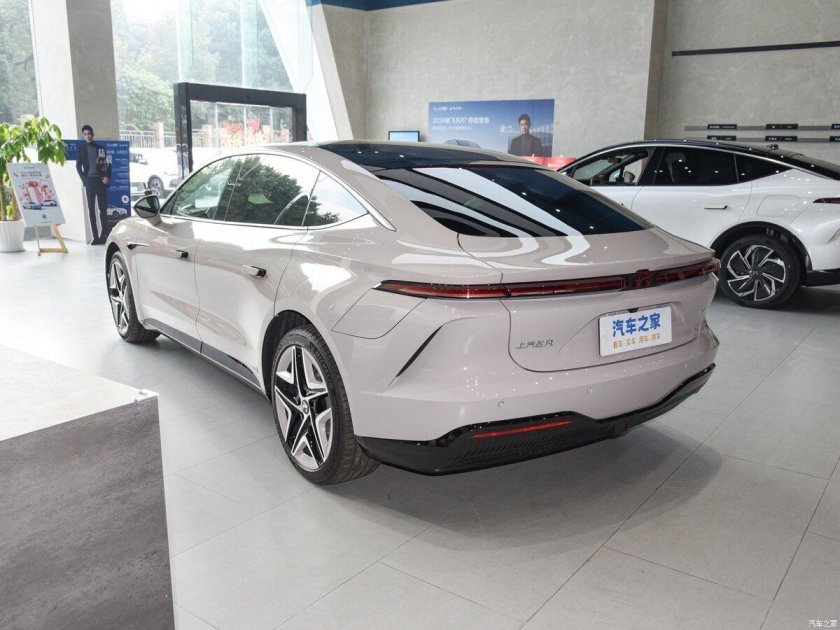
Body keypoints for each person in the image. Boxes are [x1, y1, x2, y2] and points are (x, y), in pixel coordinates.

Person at [76, 124, 112, 244]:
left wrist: (107, 177)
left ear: (93, 134)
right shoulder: (81, 149)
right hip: (89, 182)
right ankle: (95, 237)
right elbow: (78, 166)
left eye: (89, 134)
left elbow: (107, 165)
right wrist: (84, 180)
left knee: (102, 209)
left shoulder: (101, 149)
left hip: (100, 181)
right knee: (91, 209)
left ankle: (104, 235)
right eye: (85, 134)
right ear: (83, 136)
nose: (88, 136)